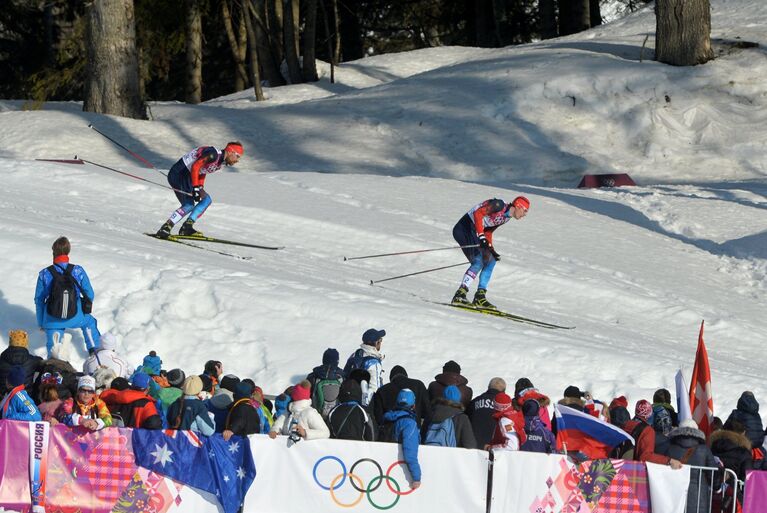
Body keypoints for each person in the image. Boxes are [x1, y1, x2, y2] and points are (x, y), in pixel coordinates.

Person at [451, 196, 529, 308]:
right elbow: (478, 213)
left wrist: (491, 249)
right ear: (518, 206)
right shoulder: (499, 205)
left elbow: (488, 231)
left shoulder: (507, 217)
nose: (525, 214)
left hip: (475, 231)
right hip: (464, 228)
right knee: (478, 261)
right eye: (525, 210)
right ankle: (460, 294)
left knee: (490, 261)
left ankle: (480, 297)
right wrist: (481, 236)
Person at [155, 142, 244, 238]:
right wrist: (195, 187)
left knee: (207, 199)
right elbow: (196, 166)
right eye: (237, 156)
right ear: (231, 151)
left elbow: (202, 170)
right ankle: (166, 227)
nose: (237, 160)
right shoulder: (213, 154)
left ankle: (187, 226)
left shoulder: (219, 162)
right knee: (189, 205)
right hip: (179, 174)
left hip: (189, 177)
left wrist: (200, 187)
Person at [34, 236, 101, 355]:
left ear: (53, 252)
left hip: (52, 318)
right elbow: (89, 294)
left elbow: (39, 300)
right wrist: (82, 306)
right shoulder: (78, 270)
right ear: (68, 251)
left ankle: (53, 362)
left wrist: (41, 323)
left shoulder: (44, 274)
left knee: (53, 347)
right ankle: (94, 350)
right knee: (89, 322)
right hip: (76, 316)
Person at [666, 419, 719, 513]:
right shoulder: (704, 450)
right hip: (699, 499)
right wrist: (717, 487)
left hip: (675, 498)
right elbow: (712, 474)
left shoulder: (669, 448)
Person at [622, 399, 682, 468]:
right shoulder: (647, 430)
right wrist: (668, 461)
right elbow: (645, 457)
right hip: (633, 470)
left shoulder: (626, 424)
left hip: (619, 466)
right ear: (650, 413)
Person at [372, 365, 431, 431]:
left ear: (391, 379)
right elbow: (427, 411)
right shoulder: (419, 385)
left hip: (390, 433)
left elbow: (378, 417)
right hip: (414, 430)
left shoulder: (382, 390)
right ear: (406, 375)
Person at [383, 389, 421, 490]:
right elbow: (410, 453)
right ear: (413, 405)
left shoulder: (387, 418)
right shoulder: (409, 423)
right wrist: (416, 477)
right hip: (398, 472)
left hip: (383, 465)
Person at [343, 328, 385, 406]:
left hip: (348, 398)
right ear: (376, 343)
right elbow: (374, 389)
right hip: (364, 404)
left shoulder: (355, 354)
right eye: (380, 340)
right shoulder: (373, 363)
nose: (381, 343)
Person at [467, 377, 507, 448]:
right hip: (494, 449)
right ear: (504, 391)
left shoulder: (474, 402)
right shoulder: (505, 406)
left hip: (474, 446)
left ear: (488, 387)